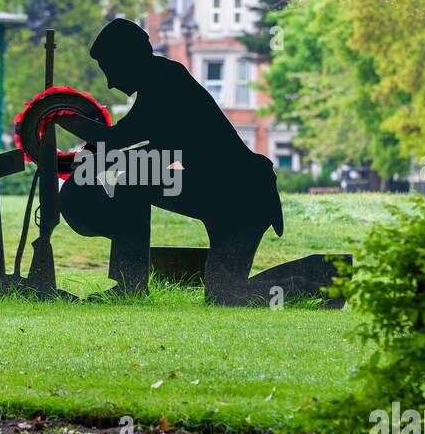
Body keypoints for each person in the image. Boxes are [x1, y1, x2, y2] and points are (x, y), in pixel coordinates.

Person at [55, 18, 282, 304]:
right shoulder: (160, 78)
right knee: (224, 295)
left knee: (226, 295)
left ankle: (315, 281)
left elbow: (121, 140)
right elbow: (144, 150)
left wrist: (64, 118)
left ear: (128, 56)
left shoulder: (164, 80)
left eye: (109, 68)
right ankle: (130, 284)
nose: (110, 82)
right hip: (231, 193)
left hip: (241, 198)